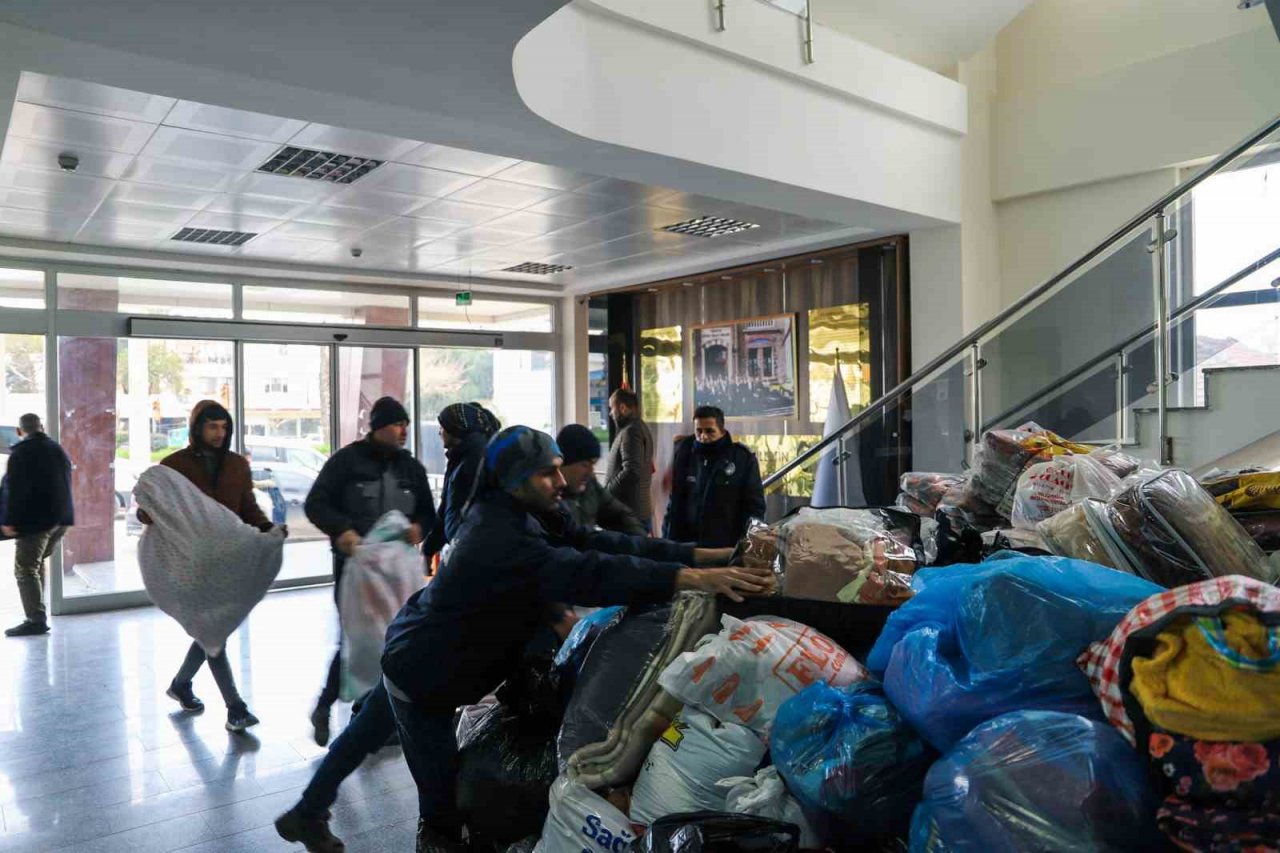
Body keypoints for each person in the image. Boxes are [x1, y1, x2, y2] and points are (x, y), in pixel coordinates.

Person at [381, 426, 773, 852]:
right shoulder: (494, 536)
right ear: (515, 478)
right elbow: (589, 573)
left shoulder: (529, 512)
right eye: (548, 473)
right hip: (421, 674)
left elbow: (599, 544)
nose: (562, 481)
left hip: (459, 658)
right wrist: (697, 578)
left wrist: (705, 555)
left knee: (457, 793)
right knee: (442, 807)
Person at [303, 396, 435, 748]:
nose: (403, 430)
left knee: (392, 642)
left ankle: (368, 721)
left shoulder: (411, 468)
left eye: (406, 424)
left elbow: (429, 512)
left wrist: (419, 527)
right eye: (396, 424)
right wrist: (342, 530)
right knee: (357, 640)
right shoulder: (346, 462)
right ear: (378, 427)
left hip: (397, 575)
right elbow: (315, 503)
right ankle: (324, 706)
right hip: (357, 571)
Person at [149, 400, 281, 732]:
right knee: (212, 631)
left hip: (227, 560)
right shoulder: (174, 465)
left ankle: (181, 683)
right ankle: (235, 707)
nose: (220, 433)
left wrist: (268, 529)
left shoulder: (237, 465)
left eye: (224, 426)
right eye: (212, 426)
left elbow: (247, 506)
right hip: (191, 563)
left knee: (211, 629)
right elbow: (155, 506)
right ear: (197, 427)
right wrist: (150, 509)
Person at [2, 414, 73, 638]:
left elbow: (13, 491)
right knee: (36, 563)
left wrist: (8, 521)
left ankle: (35, 620)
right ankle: (38, 614)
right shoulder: (56, 448)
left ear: (19, 430)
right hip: (60, 520)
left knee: (25, 569)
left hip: (36, 522)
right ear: (41, 427)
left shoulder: (21, 452)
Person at [662, 405, 766, 548]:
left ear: (722, 431)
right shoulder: (685, 455)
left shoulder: (742, 460)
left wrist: (745, 544)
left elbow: (755, 507)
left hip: (724, 546)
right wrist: (666, 538)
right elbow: (674, 503)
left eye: (710, 431)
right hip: (685, 545)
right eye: (699, 431)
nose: (703, 436)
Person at [423, 402, 500, 558]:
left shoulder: (474, 461)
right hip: (465, 547)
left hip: (472, 551)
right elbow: (448, 510)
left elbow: (459, 510)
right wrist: (430, 548)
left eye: (442, 427)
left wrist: (430, 548)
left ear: (454, 429)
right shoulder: (461, 457)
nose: (439, 432)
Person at [556, 423, 645, 535]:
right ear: (563, 464)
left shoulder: (591, 487)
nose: (591, 474)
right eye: (584, 465)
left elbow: (621, 515)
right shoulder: (549, 500)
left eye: (593, 464)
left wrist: (642, 541)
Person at [605, 388, 654, 530]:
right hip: (634, 515)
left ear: (622, 408)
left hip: (630, 516)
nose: (610, 414)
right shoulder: (638, 427)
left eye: (611, 408)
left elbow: (632, 471)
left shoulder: (631, 431)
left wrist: (606, 492)